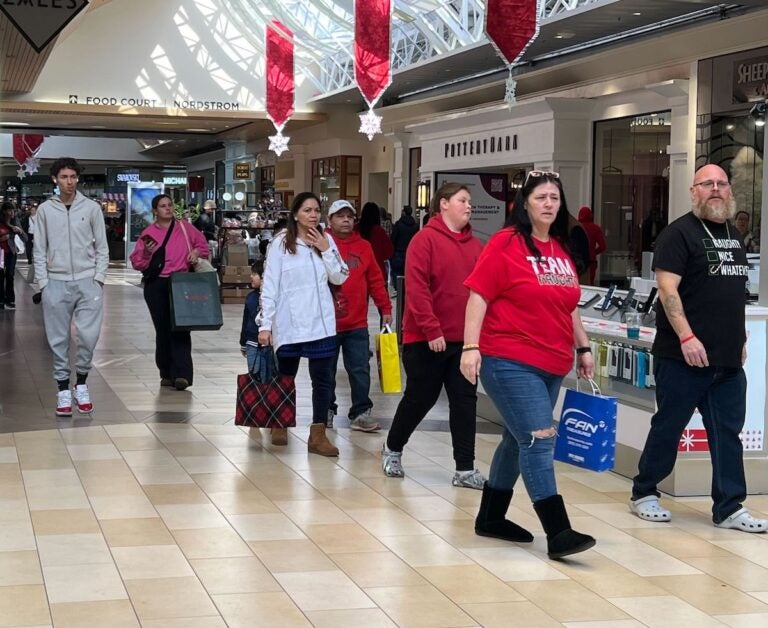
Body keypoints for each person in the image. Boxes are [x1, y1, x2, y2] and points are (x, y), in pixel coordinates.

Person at [460, 171, 597, 560]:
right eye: (541, 197)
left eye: (555, 197)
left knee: (514, 438)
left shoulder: (559, 247)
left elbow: (567, 306)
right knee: (539, 438)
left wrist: (583, 348)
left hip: (553, 362)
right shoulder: (506, 243)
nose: (549, 204)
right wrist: (471, 346)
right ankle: (559, 532)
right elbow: (478, 297)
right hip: (509, 358)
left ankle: (490, 517)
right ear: (524, 204)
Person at [629, 164, 768, 533]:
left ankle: (729, 507)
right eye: (708, 184)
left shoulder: (734, 237)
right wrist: (687, 337)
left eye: (722, 183)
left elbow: (733, 294)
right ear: (694, 191)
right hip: (682, 356)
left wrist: (739, 338)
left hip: (726, 359)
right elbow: (668, 291)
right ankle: (644, 492)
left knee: (727, 433)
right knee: (669, 425)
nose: (716, 190)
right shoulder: (678, 234)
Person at [382, 183, 486, 489]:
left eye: (470, 201)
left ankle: (464, 469)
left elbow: (482, 293)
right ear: (443, 204)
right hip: (425, 340)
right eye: (462, 200)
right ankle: (393, 448)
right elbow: (417, 289)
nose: (469, 206)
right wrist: (431, 329)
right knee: (420, 398)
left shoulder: (476, 247)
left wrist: (478, 338)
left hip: (463, 342)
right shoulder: (424, 240)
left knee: (465, 402)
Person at [258, 192, 349, 455]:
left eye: (316, 210)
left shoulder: (326, 240)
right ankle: (279, 422)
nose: (313, 215)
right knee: (285, 376)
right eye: (307, 210)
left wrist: (325, 249)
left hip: (321, 324)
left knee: (323, 380)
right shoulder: (280, 244)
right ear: (296, 214)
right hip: (290, 323)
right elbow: (270, 285)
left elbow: (340, 277)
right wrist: (265, 325)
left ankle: (318, 434)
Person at [34, 157, 109, 417]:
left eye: (73, 177)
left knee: (89, 337)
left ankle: (82, 384)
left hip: (88, 282)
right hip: (56, 282)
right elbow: (39, 249)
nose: (69, 181)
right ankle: (63, 389)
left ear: (78, 178)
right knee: (58, 340)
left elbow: (102, 246)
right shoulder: (45, 210)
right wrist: (43, 283)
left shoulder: (91, 208)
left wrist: (98, 278)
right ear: (55, 179)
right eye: (64, 177)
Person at [130, 194, 210, 391]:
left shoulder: (184, 227)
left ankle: (182, 374)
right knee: (163, 329)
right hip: (156, 284)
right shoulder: (148, 233)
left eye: (169, 205)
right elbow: (137, 263)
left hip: (181, 282)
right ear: (155, 211)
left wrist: (196, 253)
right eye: (162, 206)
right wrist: (147, 253)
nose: (167, 209)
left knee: (181, 327)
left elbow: (203, 246)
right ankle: (166, 372)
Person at [326, 199, 392, 432]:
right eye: (340, 216)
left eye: (350, 217)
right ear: (329, 220)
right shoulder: (321, 244)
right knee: (326, 370)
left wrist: (385, 307)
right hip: (326, 323)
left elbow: (375, 278)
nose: (345, 220)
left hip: (356, 322)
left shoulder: (363, 246)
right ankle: (326, 409)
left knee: (360, 369)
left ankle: (361, 412)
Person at [358, 201, 394, 285]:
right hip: (378, 270)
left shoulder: (356, 229)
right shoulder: (379, 231)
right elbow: (389, 252)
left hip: (359, 270)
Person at [0, 201, 26, 310]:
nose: (11, 213)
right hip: (1, 252)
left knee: (10, 275)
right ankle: (1, 300)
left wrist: (19, 231)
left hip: (11, 252)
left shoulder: (15, 221)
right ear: (4, 211)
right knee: (1, 276)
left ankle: (10, 299)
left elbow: (25, 238)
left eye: (12, 210)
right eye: (9, 210)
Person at [389, 205, 419, 289]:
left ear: (404, 212)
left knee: (396, 272)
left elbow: (393, 239)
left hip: (398, 252)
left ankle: (397, 289)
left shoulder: (398, 224)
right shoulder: (415, 226)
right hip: (410, 253)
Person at [239, 264, 262, 371]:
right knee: (254, 374)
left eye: (254, 274)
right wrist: (243, 342)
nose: (251, 277)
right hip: (252, 342)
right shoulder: (251, 297)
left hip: (269, 344)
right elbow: (245, 321)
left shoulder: (274, 297)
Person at [578, 206, 607, 284]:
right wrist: (593, 252)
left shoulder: (576, 227)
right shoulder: (595, 228)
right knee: (589, 284)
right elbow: (603, 246)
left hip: (578, 260)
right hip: (591, 261)